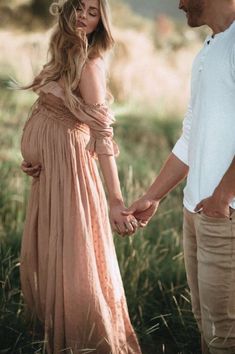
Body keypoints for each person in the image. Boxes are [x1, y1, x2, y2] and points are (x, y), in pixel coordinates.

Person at [19, 1, 142, 353]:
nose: (83, 17)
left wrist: (116, 201)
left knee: (75, 260)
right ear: (67, 10)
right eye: (79, 7)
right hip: (49, 175)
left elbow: (103, 135)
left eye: (93, 11)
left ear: (101, 20)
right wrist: (32, 155)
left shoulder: (90, 65)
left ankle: (88, 341)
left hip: (71, 173)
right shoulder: (62, 56)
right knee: (53, 256)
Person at [123, 0, 235, 353]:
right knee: (207, 327)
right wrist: (153, 195)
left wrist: (222, 198)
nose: (179, 3)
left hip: (225, 217)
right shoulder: (206, 52)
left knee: (224, 336)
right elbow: (190, 134)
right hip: (195, 212)